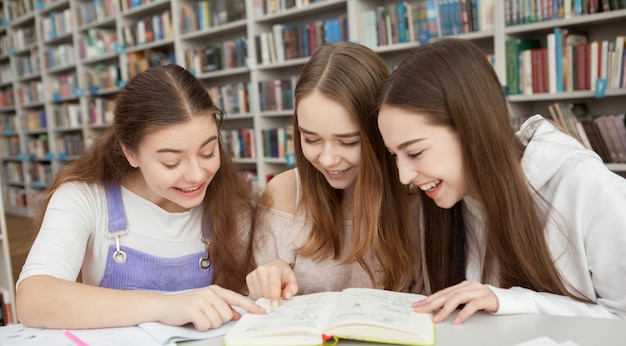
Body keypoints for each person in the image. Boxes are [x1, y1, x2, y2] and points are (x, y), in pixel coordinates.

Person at [377, 37, 626, 324]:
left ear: (471, 128)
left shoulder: (585, 185)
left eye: (415, 152)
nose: (404, 176)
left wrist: (509, 300)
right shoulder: (441, 203)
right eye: (394, 155)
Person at [16, 64, 264, 330]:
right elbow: (33, 299)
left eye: (207, 153)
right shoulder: (83, 198)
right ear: (130, 152)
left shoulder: (231, 204)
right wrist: (166, 306)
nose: (196, 175)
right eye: (171, 162)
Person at [246, 41, 418, 306]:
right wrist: (267, 279)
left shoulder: (414, 189)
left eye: (349, 142)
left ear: (380, 132)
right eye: (311, 139)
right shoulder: (283, 193)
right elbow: (260, 305)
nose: (327, 159)